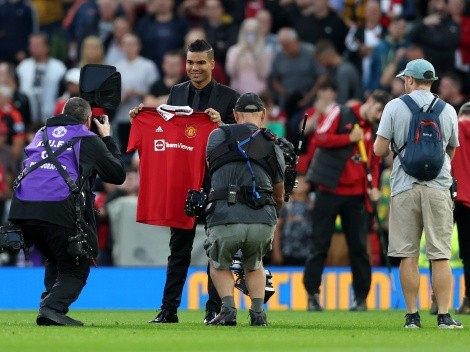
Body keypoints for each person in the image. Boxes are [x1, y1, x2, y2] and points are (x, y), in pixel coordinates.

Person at [129, 39, 239, 324]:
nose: (195, 68)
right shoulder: (176, 92)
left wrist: (223, 127)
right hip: (184, 185)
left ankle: (214, 309)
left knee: (217, 251)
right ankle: (169, 310)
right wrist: (143, 118)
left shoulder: (230, 97)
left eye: (201, 62)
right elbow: (168, 131)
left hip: (216, 184)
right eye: (190, 62)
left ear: (213, 64)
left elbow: (242, 140)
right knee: (178, 250)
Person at [8, 97, 126, 326]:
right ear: (88, 119)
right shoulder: (86, 138)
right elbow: (117, 174)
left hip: (21, 206)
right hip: (56, 205)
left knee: (56, 256)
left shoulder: (41, 133)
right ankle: (52, 307)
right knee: (77, 268)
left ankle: (48, 305)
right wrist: (108, 137)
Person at [374, 59, 462, 328]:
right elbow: (451, 150)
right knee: (440, 255)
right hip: (438, 186)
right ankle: (444, 315)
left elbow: (379, 149)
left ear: (409, 80)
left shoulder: (394, 106)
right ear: (431, 80)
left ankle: (412, 315)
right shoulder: (448, 110)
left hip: (404, 186)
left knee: (407, 254)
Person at [304, 89, 392, 312]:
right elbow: (319, 138)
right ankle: (312, 296)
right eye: (379, 110)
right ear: (369, 101)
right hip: (328, 190)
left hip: (356, 195)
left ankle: (361, 298)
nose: (380, 116)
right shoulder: (340, 112)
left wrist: (372, 188)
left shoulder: (375, 127)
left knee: (359, 248)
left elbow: (373, 160)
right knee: (320, 245)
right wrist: (347, 139)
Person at [204, 92, 285, 326]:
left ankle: (228, 310)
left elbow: (213, 171)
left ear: (235, 114)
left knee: (219, 264)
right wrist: (274, 213)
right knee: (255, 264)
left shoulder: (216, 136)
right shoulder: (272, 142)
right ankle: (258, 314)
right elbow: (279, 193)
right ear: (263, 115)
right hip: (262, 219)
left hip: (225, 216)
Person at [452, 102, 470, 314]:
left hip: (447, 195)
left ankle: (437, 299)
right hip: (469, 201)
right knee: (469, 253)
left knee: (438, 251)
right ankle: (468, 301)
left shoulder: (451, 126)